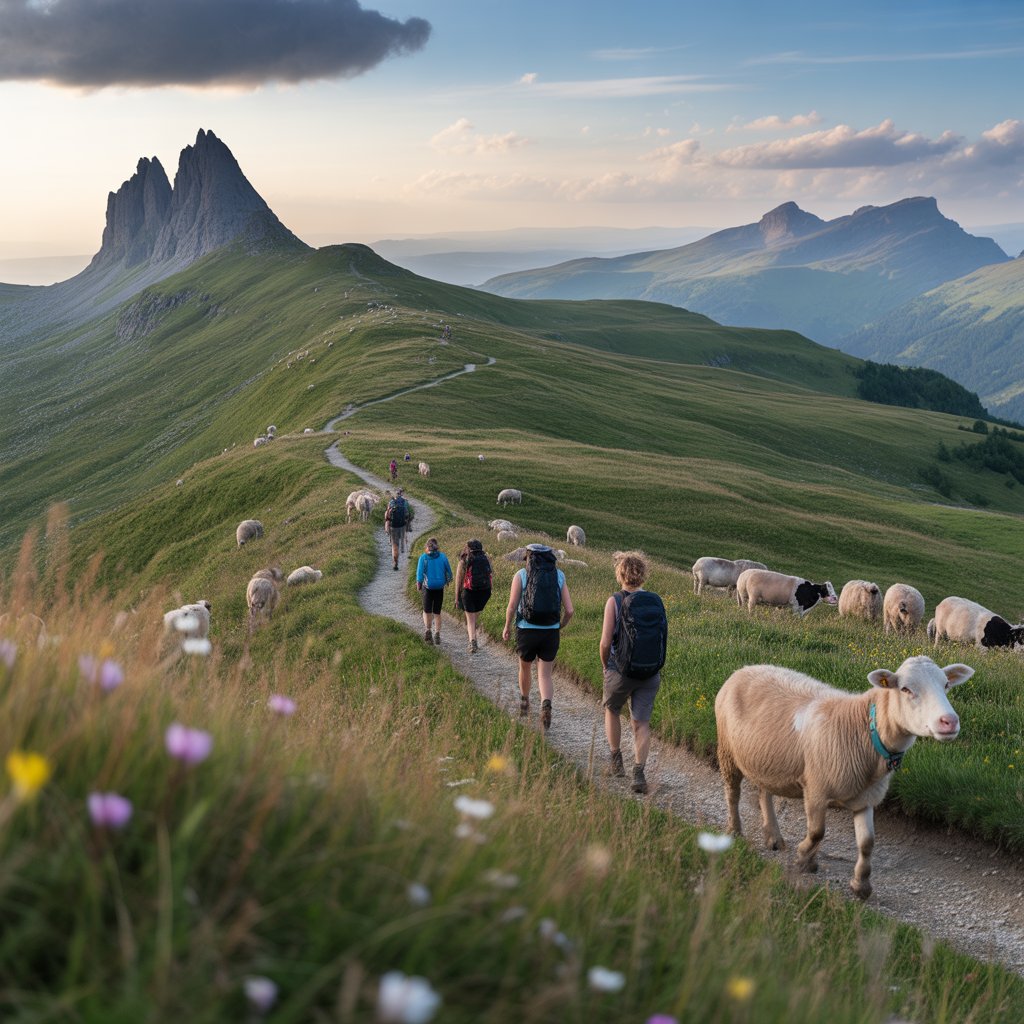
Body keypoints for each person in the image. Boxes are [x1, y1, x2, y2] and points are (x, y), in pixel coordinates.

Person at [599, 551, 668, 795]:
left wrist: (605, 665)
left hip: (621, 671)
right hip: (650, 672)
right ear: (642, 574)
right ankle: (639, 773)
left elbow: (606, 642)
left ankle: (616, 762)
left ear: (620, 574)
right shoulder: (655, 600)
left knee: (612, 709)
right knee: (641, 723)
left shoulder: (615, 601)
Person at [502, 543, 573, 729]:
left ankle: (525, 701)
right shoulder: (559, 575)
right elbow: (570, 610)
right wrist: (560, 625)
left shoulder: (521, 575)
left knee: (525, 668)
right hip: (550, 631)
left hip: (526, 630)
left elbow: (511, 606)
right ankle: (546, 704)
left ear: (528, 557)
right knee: (545, 675)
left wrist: (507, 626)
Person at [454, 538, 492, 653]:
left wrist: (456, 598)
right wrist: (490, 590)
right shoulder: (487, 559)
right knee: (474, 618)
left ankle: (472, 642)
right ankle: (474, 635)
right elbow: (490, 576)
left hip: (469, 592)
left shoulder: (464, 560)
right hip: (485, 592)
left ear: (468, 548)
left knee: (470, 620)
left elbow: (459, 581)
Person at [416, 537, 453, 645]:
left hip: (428, 587)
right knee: (437, 612)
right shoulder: (443, 557)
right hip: (439, 587)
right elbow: (449, 572)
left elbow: (419, 573)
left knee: (427, 611)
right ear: (437, 547)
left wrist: (419, 584)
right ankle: (437, 633)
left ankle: (428, 630)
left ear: (427, 547)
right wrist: (448, 581)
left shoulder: (423, 558)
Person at [384, 488, 409, 570]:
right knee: (402, 539)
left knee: (395, 546)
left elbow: (387, 516)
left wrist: (387, 526)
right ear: (401, 494)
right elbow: (407, 514)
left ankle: (395, 562)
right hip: (402, 526)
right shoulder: (405, 502)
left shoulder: (391, 502)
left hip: (393, 526)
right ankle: (405, 547)